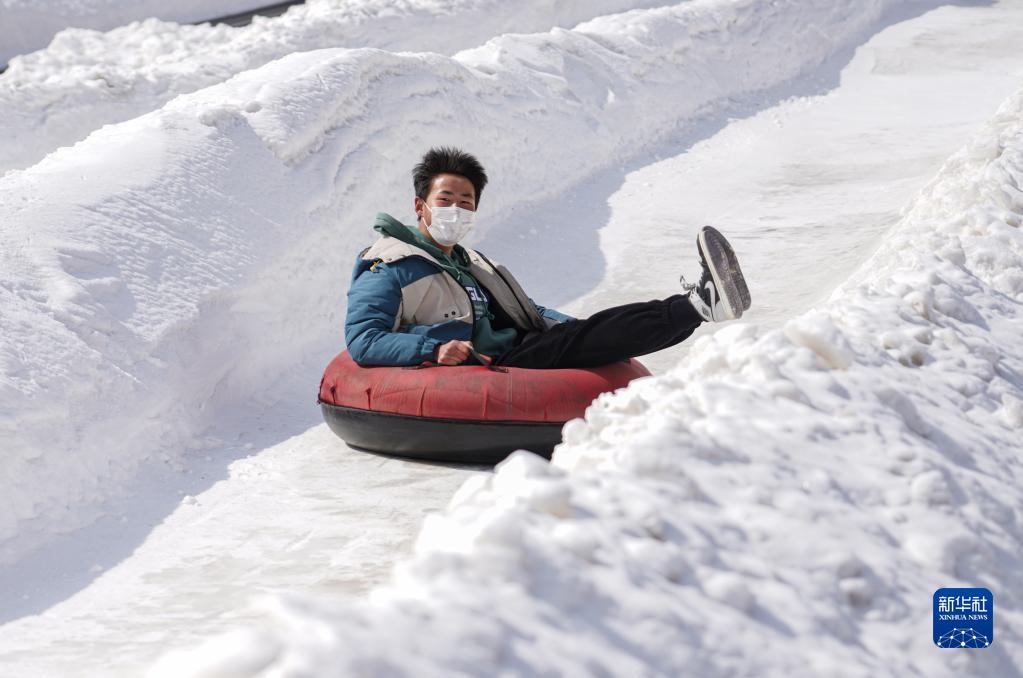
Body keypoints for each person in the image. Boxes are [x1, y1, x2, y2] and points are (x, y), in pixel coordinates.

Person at [345, 147, 750, 369]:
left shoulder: (471, 262)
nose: (456, 209)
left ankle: (700, 308)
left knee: (594, 330)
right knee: (588, 337)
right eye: (445, 199)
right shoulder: (389, 265)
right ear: (420, 206)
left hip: (520, 344)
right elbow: (363, 339)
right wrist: (431, 349)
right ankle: (698, 305)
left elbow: (527, 310)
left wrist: (578, 327)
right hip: (491, 362)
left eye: (466, 202)